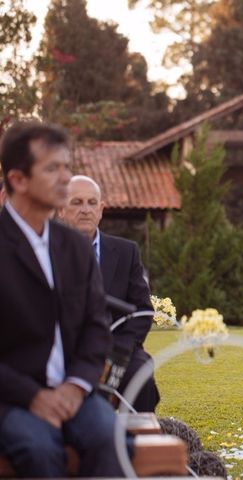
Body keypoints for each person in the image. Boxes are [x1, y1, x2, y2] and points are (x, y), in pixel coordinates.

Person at [0, 121, 124, 477]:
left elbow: (96, 328)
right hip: (10, 399)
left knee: (108, 436)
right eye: (52, 168)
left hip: (74, 392)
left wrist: (75, 386)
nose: (64, 178)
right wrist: (33, 396)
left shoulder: (74, 247)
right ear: (19, 180)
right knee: (38, 449)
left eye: (66, 168)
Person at [58, 175, 160, 413]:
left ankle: (137, 443)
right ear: (61, 209)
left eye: (92, 203)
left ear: (101, 209)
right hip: (64, 350)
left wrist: (116, 351)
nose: (85, 209)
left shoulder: (126, 252)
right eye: (77, 202)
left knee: (140, 373)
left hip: (117, 348)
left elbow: (142, 310)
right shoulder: (47, 251)